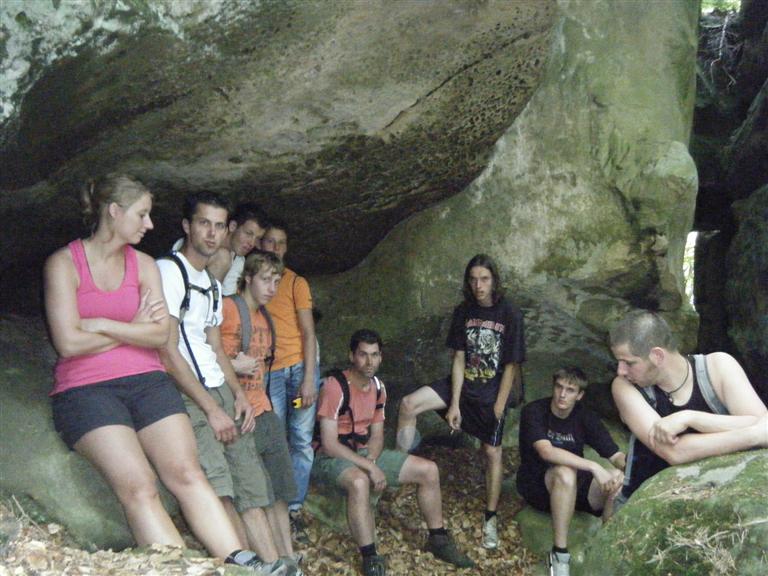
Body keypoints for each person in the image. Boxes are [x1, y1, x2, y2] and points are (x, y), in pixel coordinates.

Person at [44, 174, 264, 571]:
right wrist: (133, 329)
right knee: (140, 486)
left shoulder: (144, 265)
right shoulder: (64, 263)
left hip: (148, 383)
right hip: (87, 389)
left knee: (187, 473)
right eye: (142, 214)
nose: (149, 224)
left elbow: (160, 334)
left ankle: (243, 563)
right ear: (115, 212)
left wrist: (103, 325)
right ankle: (183, 568)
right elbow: (69, 343)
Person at [157, 191, 290, 575]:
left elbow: (215, 348)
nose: (212, 233)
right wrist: (212, 409)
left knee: (251, 486)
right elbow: (167, 349)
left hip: (221, 388)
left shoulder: (213, 286)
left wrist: (237, 396)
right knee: (220, 484)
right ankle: (246, 568)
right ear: (187, 226)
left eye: (218, 225)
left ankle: (276, 567)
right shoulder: (169, 271)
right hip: (189, 391)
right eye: (204, 223)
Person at [313, 329, 474, 576]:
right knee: (358, 482)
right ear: (352, 356)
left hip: (363, 453)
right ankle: (370, 556)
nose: (369, 362)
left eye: (375, 355)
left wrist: (372, 460)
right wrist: (369, 468)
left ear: (381, 357)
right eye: (363, 355)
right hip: (331, 458)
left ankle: (438, 538)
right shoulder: (335, 387)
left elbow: (377, 435)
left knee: (428, 470)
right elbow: (329, 443)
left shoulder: (378, 387)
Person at [396, 253, 526, 549]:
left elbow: (511, 366)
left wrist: (499, 405)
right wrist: (454, 403)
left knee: (491, 452)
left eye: (484, 279)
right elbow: (458, 358)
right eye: (473, 279)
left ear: (494, 281)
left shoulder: (510, 313)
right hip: (462, 384)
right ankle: (400, 472)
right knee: (408, 405)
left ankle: (490, 517)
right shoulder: (464, 311)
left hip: (493, 391)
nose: (479, 286)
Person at [610, 310, 768, 505]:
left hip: (724, 497)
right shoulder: (623, 387)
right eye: (619, 362)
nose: (621, 371)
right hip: (644, 505)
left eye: (629, 363)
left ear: (657, 355)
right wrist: (753, 435)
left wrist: (692, 418)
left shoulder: (718, 366)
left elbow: (763, 423)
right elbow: (675, 452)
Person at [220, 250, 303, 574]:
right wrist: (233, 365)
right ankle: (268, 561)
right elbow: (203, 355)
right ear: (248, 278)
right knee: (254, 490)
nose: (272, 287)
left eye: (277, 281)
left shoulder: (265, 317)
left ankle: (288, 557)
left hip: (264, 408)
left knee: (279, 488)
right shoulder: (229, 308)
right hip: (238, 410)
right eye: (266, 280)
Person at [517, 367, 626, 576]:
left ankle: (605, 548)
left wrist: (625, 469)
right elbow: (546, 451)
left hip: (576, 488)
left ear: (580, 395)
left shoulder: (585, 417)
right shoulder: (534, 411)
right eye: (559, 387)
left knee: (616, 480)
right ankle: (559, 554)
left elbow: (615, 455)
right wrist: (594, 466)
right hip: (538, 485)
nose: (562, 394)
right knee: (565, 473)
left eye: (570, 390)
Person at [260, 220, 319, 534]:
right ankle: (276, 507)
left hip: (298, 368)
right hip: (271, 372)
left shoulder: (296, 282)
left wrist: (309, 379)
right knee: (276, 438)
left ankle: (293, 507)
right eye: (270, 241)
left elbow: (308, 332)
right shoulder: (253, 282)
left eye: (281, 243)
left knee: (301, 438)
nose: (276, 248)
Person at [208, 202, 268, 296]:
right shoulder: (204, 241)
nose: (252, 243)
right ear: (233, 226)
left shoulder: (239, 261)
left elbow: (227, 297)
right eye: (248, 234)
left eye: (257, 238)